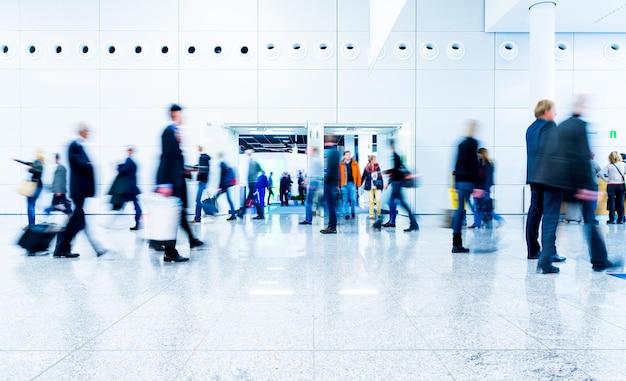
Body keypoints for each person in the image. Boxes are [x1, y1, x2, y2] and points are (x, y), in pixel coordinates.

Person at [533, 96, 622, 273]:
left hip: (548, 178)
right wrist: (585, 187)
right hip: (569, 180)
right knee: (590, 218)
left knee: (550, 219)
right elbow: (581, 157)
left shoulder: (559, 127)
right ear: (581, 107)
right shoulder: (579, 125)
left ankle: (544, 260)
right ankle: (599, 260)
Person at [154, 104, 204, 262]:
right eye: (180, 114)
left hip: (176, 181)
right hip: (171, 183)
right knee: (173, 216)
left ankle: (181, 244)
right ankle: (169, 250)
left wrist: (186, 171)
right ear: (174, 114)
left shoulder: (175, 133)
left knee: (178, 215)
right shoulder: (169, 132)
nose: (182, 117)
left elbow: (175, 159)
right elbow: (166, 159)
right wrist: (165, 184)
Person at [525, 100, 565, 263]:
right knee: (550, 214)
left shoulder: (531, 128)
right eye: (554, 110)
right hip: (549, 177)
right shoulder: (549, 126)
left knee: (535, 212)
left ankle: (533, 250)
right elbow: (554, 152)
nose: (555, 113)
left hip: (534, 176)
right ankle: (550, 251)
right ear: (547, 111)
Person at [53, 124, 102, 258]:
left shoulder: (78, 145)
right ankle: (95, 248)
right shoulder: (74, 145)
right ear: (82, 131)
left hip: (81, 189)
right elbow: (78, 163)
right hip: (78, 189)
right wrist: (89, 165)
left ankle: (62, 249)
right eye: (87, 131)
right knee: (78, 221)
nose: (89, 133)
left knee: (76, 221)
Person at [451, 120, 480, 252]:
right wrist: (477, 183)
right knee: (473, 206)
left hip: (460, 181)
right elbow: (474, 163)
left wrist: (455, 182)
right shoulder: (473, 143)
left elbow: (456, 164)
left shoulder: (461, 144)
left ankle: (456, 243)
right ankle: (483, 219)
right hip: (468, 180)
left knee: (459, 211)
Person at [379, 140, 419, 232]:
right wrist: (389, 180)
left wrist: (386, 172)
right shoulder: (396, 156)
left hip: (397, 183)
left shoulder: (396, 156)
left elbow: (396, 171)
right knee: (395, 203)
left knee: (392, 202)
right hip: (396, 183)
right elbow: (396, 171)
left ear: (390, 146)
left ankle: (381, 222)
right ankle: (411, 223)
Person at [471, 148, 504, 228]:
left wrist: (486, 189)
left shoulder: (489, 164)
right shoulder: (478, 163)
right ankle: (477, 224)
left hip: (484, 189)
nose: (478, 155)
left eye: (480, 153)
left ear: (483, 154)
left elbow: (489, 178)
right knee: (477, 208)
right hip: (477, 189)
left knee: (487, 209)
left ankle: (499, 219)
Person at [13, 150, 45, 226]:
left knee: (30, 204)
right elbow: (26, 163)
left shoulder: (37, 163)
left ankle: (31, 224)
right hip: (39, 186)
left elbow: (36, 170)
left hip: (34, 186)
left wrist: (30, 169)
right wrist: (17, 160)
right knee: (32, 204)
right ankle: (32, 223)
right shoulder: (40, 163)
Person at [117, 147, 142, 230]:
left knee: (131, 205)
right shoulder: (133, 162)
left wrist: (118, 167)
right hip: (132, 187)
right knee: (135, 205)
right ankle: (138, 223)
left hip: (129, 188)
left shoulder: (129, 161)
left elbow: (123, 171)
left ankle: (138, 222)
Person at [599, 151, 626, 224]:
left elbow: (600, 173)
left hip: (611, 186)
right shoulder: (623, 164)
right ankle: (620, 219)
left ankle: (612, 219)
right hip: (621, 185)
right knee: (620, 202)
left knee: (611, 202)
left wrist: (606, 180)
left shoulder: (609, 166)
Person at [236, 149, 264, 219]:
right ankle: (242, 213)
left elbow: (254, 172)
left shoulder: (252, 162)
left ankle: (260, 215)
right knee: (250, 199)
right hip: (252, 182)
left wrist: (255, 176)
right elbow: (260, 170)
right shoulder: (251, 162)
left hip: (252, 183)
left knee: (253, 199)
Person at [300, 146, 323, 225]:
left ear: (313, 151)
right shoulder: (316, 160)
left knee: (308, 202)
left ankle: (308, 219)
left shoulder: (314, 160)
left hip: (313, 182)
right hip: (316, 182)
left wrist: (307, 181)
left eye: (309, 150)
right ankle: (309, 219)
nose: (307, 151)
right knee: (315, 201)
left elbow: (313, 173)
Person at [321, 138, 340, 234]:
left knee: (330, 205)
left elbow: (331, 169)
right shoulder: (335, 152)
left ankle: (332, 226)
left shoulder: (332, 153)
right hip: (333, 182)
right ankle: (332, 226)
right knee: (330, 205)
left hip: (330, 183)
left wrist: (326, 180)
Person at [339, 150, 362, 220]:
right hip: (343, 184)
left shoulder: (355, 163)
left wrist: (359, 183)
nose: (349, 156)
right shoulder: (341, 164)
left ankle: (353, 212)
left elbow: (358, 173)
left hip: (352, 183)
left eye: (349, 154)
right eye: (347, 154)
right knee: (345, 200)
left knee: (353, 199)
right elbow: (338, 175)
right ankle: (347, 214)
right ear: (344, 156)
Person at [190, 145, 210, 223]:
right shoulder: (207, 157)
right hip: (205, 181)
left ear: (199, 149)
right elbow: (206, 168)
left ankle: (210, 211)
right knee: (199, 199)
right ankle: (197, 217)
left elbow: (202, 169)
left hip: (202, 181)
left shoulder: (201, 157)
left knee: (198, 200)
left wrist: (198, 178)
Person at [216, 152, 237, 221]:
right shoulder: (226, 163)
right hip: (227, 184)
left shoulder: (222, 163)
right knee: (229, 200)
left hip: (224, 185)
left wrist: (220, 186)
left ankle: (212, 211)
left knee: (215, 198)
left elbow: (222, 176)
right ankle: (233, 215)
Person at [361, 154, 383, 220]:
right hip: (369, 186)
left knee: (378, 200)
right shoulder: (366, 168)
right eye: (374, 159)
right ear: (371, 160)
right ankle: (371, 215)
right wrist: (359, 184)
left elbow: (380, 176)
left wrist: (382, 185)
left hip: (377, 185)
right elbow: (363, 176)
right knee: (371, 201)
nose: (375, 160)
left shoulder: (378, 167)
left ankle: (379, 214)